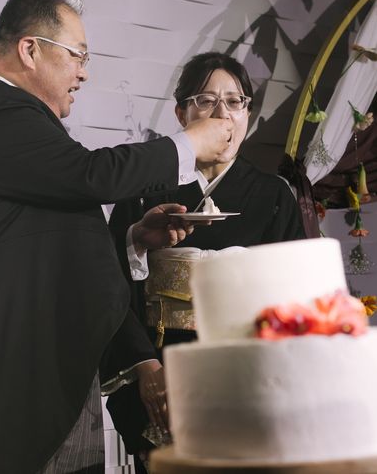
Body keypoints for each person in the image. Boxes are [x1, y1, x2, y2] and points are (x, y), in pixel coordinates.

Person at [0, 0, 234, 474]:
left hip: (49, 362)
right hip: (13, 370)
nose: (84, 73)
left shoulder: (11, 114)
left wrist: (134, 240)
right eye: (78, 55)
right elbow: (90, 175)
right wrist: (187, 145)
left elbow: (48, 229)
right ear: (30, 49)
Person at [100, 51, 305, 472]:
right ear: (182, 114)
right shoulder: (144, 189)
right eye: (207, 101)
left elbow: (294, 296)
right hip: (161, 372)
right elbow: (110, 283)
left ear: (248, 113)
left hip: (243, 378)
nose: (222, 114)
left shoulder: (273, 195)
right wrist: (144, 366)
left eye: (235, 101)